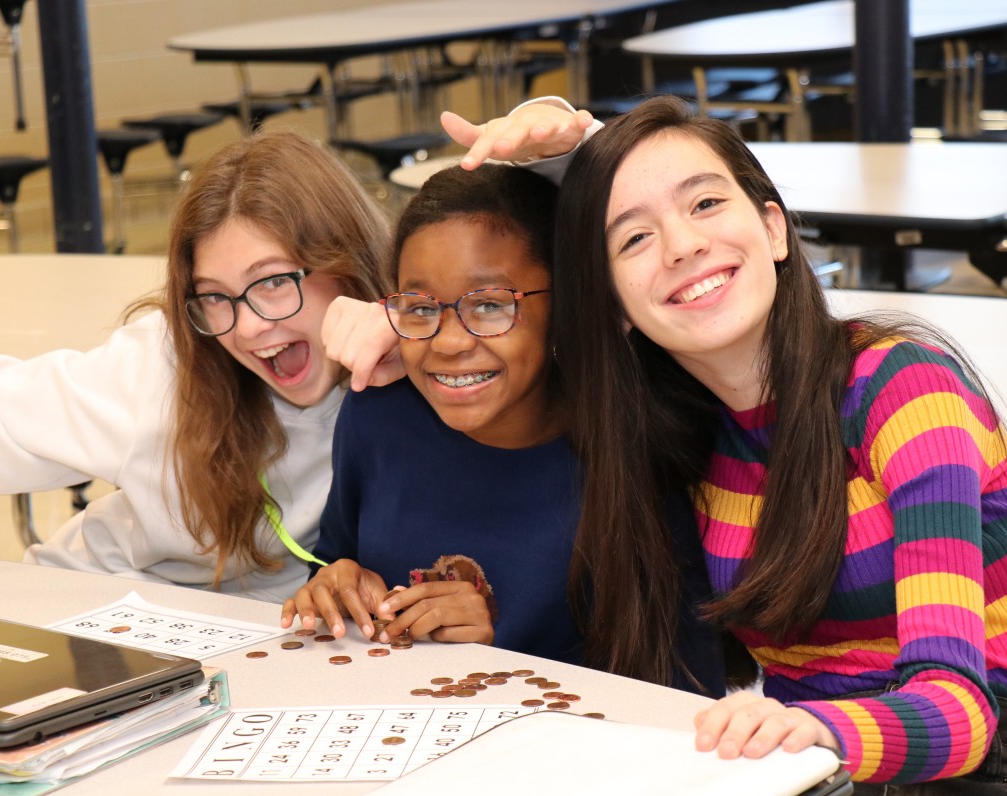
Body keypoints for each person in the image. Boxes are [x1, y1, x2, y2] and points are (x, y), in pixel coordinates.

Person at [510, 95, 1007, 796]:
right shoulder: (682, 440)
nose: (682, 246)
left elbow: (959, 714)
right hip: (820, 771)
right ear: (613, 304)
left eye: (704, 205)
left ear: (774, 229)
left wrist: (818, 729)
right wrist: (388, 327)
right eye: (633, 239)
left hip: (999, 765)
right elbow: (493, 351)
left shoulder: (904, 390)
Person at [282, 162, 725, 696]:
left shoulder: (636, 441)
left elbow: (683, 693)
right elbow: (334, 558)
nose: (447, 342)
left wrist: (501, 655)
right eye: (421, 308)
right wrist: (335, 585)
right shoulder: (378, 414)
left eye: (490, 305)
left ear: (565, 306)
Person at [0, 131, 391, 601]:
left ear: (345, 262)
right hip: (111, 606)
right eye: (213, 296)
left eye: (272, 282)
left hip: (269, 635)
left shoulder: (420, 358)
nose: (245, 328)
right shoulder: (167, 369)